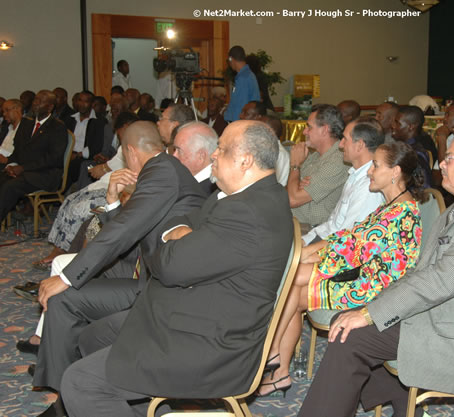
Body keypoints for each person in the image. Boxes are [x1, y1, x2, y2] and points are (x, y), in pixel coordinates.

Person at [60, 120, 294, 417]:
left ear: (245, 160)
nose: (212, 155)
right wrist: (179, 234)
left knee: (81, 382)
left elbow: (168, 265)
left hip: (213, 346)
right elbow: (182, 220)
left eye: (221, 149)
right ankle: (148, 407)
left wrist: (175, 237)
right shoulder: (247, 195)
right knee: (91, 337)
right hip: (196, 313)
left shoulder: (247, 211)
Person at [298, 129, 454, 417]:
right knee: (350, 322)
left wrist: (368, 313)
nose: (441, 164)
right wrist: (370, 308)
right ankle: (401, 403)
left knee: (352, 335)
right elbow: (422, 273)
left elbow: (439, 281)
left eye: (451, 158)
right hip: (435, 315)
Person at [22, 121, 207, 417]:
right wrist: (111, 201)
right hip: (151, 282)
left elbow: (125, 230)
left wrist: (67, 276)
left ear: (130, 152)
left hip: (166, 292)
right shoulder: (164, 170)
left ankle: (69, 402)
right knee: (63, 299)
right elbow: (131, 229)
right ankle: (67, 399)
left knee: (64, 293)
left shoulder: (161, 171)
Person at [259, 141, 424, 397]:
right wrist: (310, 254)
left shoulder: (401, 213)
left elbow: (352, 252)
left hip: (375, 289)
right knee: (294, 286)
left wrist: (310, 259)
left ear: (395, 172)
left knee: (294, 281)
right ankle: (276, 366)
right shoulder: (391, 205)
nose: (369, 171)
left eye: (376, 166)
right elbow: (351, 237)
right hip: (362, 275)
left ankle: (271, 356)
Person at [29, 112, 139, 271]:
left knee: (82, 211)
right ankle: (59, 250)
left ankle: (70, 257)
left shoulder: (138, 149)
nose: (120, 137)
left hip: (116, 200)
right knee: (69, 201)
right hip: (109, 190)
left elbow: (112, 172)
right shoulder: (126, 146)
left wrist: (103, 170)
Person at [302, 116, 385, 245]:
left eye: (345, 139)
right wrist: (304, 241)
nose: (340, 145)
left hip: (339, 252)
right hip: (327, 241)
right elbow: (332, 225)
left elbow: (348, 241)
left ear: (359, 145)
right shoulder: (354, 174)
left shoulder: (369, 187)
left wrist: (305, 252)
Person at [0, 90, 67, 224]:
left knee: (10, 187)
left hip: (45, 175)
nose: (35, 104)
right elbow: (17, 151)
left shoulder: (57, 127)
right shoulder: (26, 124)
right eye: (35, 100)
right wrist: (11, 166)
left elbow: (53, 158)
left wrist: (23, 168)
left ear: (50, 107)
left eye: (40, 101)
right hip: (24, 172)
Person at [288, 104, 349, 229]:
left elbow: (292, 200)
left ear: (325, 129)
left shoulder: (338, 160)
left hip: (310, 228)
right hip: (292, 221)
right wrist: (296, 182)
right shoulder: (315, 155)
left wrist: (295, 166)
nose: (305, 132)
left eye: (309, 127)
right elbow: (288, 190)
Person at [66, 91, 106, 187]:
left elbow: (97, 145)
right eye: (80, 100)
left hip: (84, 157)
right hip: (68, 154)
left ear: (92, 104)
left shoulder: (99, 121)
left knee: (75, 166)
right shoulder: (70, 119)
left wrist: (77, 155)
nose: (82, 104)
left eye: (86, 101)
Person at [171, 121, 219, 195]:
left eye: (179, 151)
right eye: (174, 150)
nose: (174, 155)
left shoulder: (204, 193)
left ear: (201, 156)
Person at [224, 46, 260, 122]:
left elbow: (240, 107)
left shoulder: (243, 78)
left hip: (240, 123)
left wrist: (231, 120)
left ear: (231, 59)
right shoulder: (248, 75)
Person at [259, 114, 290, 186]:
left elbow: (271, 183)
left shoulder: (279, 153)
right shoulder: (264, 149)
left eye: (259, 128)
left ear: (271, 131)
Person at [0, 99, 23, 163]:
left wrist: (7, 160)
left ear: (18, 109)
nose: (4, 114)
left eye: (7, 110)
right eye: (3, 111)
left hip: (11, 163)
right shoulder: (6, 127)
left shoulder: (26, 129)